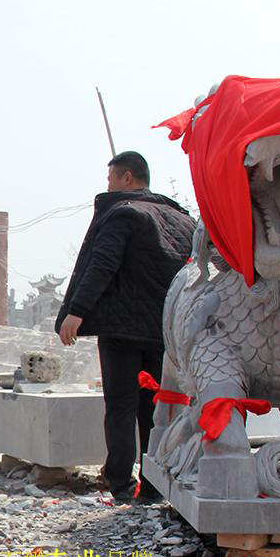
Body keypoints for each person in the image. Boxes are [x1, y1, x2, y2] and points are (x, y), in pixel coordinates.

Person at [55, 151, 194, 505]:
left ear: (127, 178)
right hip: (164, 330)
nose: (109, 186)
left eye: (111, 179)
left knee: (120, 405)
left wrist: (77, 311)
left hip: (121, 329)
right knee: (155, 406)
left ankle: (119, 482)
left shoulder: (123, 213)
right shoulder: (181, 219)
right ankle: (153, 485)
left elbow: (103, 263)